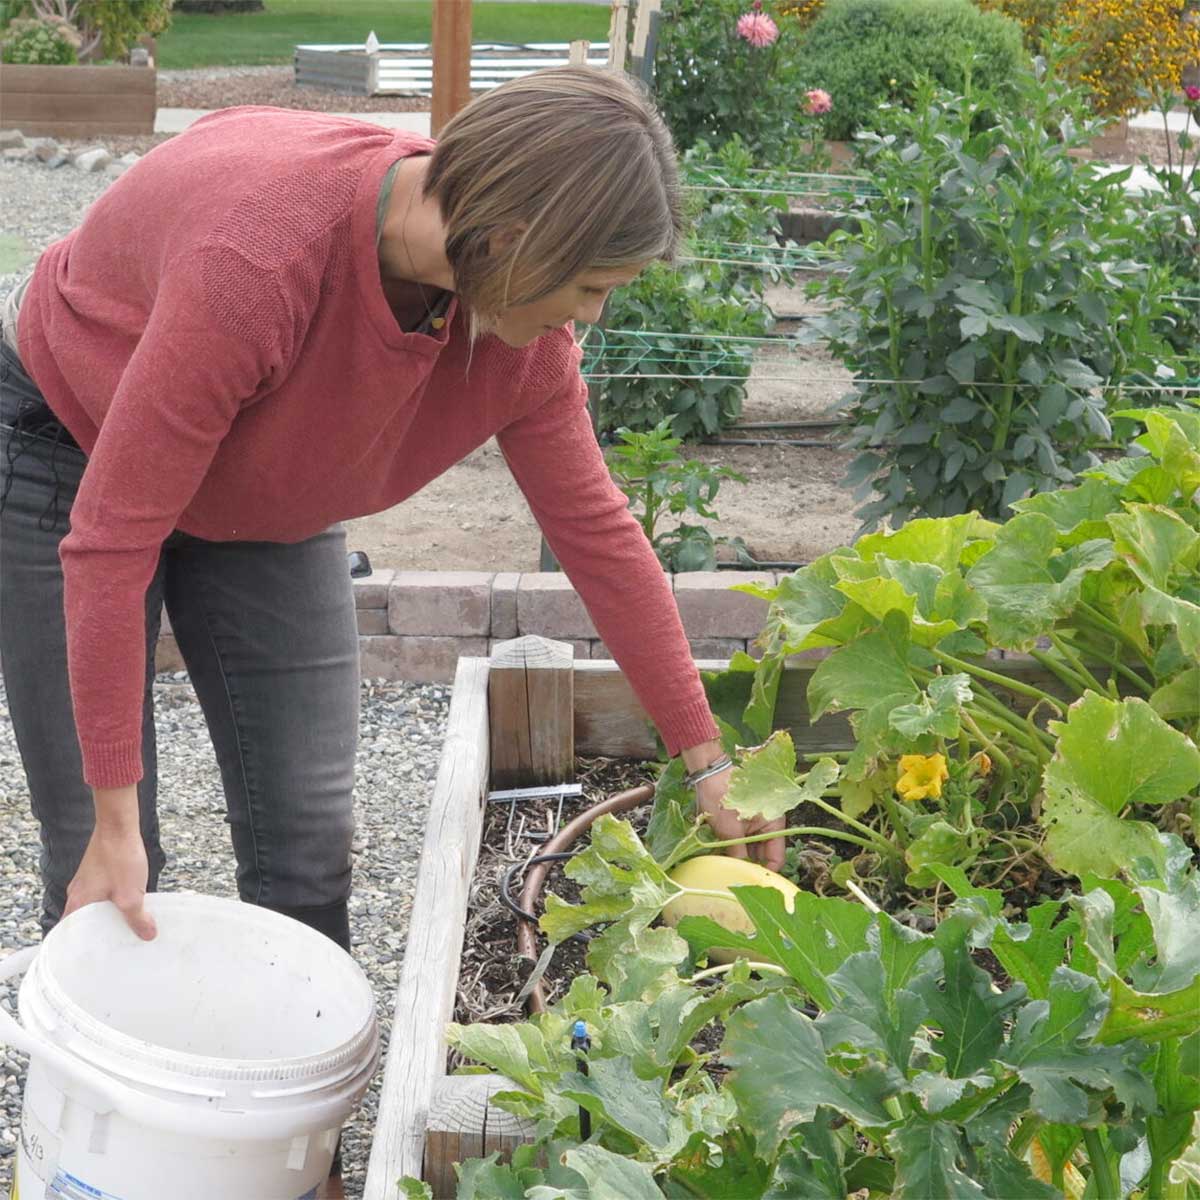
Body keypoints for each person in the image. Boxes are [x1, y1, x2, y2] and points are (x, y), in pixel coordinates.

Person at [0, 68, 785, 962]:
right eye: (591, 285)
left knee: (307, 848)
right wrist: (113, 818)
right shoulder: (257, 260)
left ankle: (287, 1087)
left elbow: (598, 535)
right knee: (111, 863)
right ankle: (113, 1093)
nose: (594, 317)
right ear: (513, 237)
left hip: (264, 485)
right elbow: (111, 541)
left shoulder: (523, 344)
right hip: (72, 440)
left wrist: (707, 757)